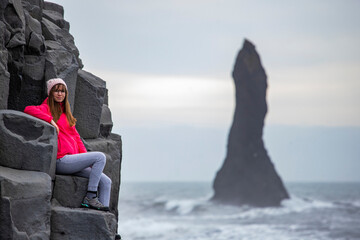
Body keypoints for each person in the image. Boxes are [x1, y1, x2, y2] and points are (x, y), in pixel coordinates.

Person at [24, 78, 111, 211]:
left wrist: (87, 161)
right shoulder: (46, 108)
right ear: (51, 93)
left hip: (73, 161)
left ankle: (106, 221)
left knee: (106, 182)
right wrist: (50, 120)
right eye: (56, 91)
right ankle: (91, 197)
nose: (60, 94)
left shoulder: (67, 115)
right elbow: (28, 109)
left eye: (63, 91)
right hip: (62, 161)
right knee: (100, 157)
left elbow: (77, 139)